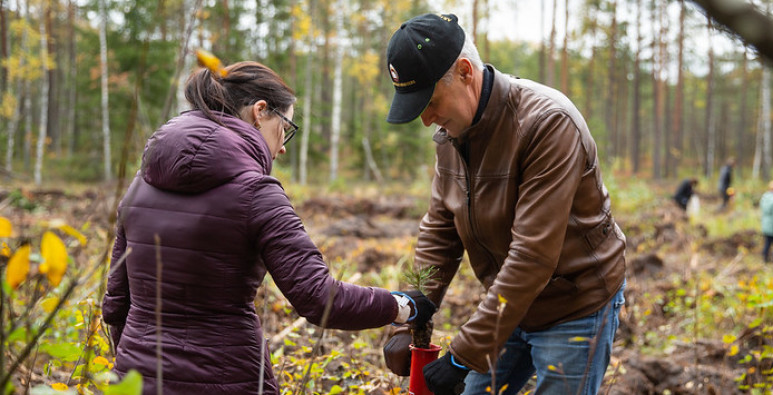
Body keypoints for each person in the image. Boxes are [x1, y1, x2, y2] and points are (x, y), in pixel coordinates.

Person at [101, 56, 435, 394]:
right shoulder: (256, 192)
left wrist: (129, 365)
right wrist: (401, 305)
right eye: (285, 129)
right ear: (260, 111)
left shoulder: (140, 185)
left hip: (135, 379)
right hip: (227, 378)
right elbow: (319, 298)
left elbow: (116, 303)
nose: (282, 149)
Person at [381, 14, 626, 395]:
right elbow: (440, 233)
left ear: (465, 72)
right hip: (508, 305)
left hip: (574, 304)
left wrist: (462, 355)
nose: (428, 120)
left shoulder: (547, 124)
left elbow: (532, 255)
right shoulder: (451, 136)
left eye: (430, 102)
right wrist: (406, 316)